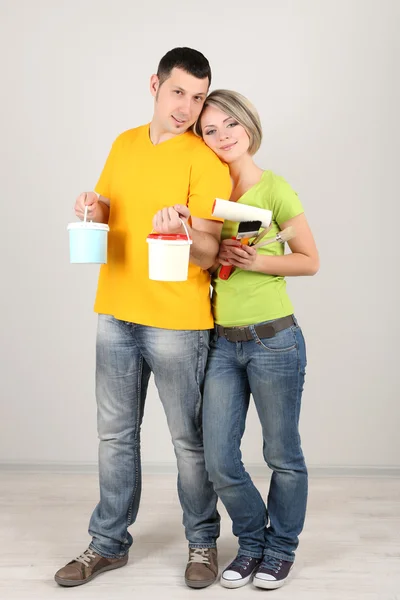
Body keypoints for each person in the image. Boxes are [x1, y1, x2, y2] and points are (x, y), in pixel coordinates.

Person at [54, 49, 231, 589]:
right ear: (155, 84)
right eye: (179, 92)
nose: (187, 108)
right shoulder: (124, 142)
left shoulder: (205, 160)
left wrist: (184, 229)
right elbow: (107, 210)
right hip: (116, 312)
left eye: (198, 98)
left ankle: (202, 543)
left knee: (188, 440)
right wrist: (90, 204)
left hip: (177, 321)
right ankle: (107, 544)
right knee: (115, 436)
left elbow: (209, 252)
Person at [193, 90, 319, 590]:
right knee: (220, 458)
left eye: (230, 125)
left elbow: (309, 259)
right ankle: (251, 543)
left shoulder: (274, 189)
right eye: (210, 130)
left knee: (282, 454)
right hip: (223, 343)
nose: (222, 136)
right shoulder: (207, 196)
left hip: (275, 341)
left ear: (248, 126)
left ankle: (281, 549)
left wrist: (258, 260)